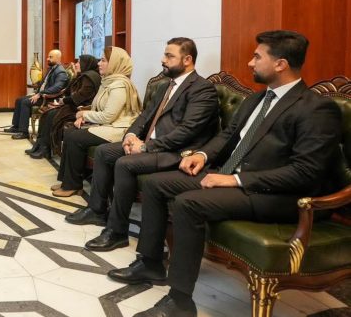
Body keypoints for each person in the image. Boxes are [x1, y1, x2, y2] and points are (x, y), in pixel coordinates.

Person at [110, 31, 341, 317]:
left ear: (280, 64)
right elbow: (228, 136)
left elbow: (305, 172)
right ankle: (150, 263)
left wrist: (235, 180)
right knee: (156, 185)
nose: (250, 63)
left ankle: (180, 302)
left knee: (188, 204)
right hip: (234, 177)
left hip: (276, 194)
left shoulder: (316, 109)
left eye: (257, 57)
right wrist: (202, 156)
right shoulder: (257, 99)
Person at [66, 37, 220, 253]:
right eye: (164, 55)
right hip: (150, 145)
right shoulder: (166, 86)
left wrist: (146, 147)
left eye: (169, 56)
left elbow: (187, 131)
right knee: (104, 152)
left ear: (187, 60)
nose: (163, 60)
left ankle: (117, 232)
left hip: (175, 152)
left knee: (125, 164)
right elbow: (144, 116)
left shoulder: (202, 89)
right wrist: (130, 135)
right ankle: (97, 210)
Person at [52, 47, 142, 197]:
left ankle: (72, 185)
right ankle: (67, 181)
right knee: (70, 132)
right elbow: (98, 108)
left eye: (103, 60)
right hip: (107, 125)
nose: (99, 63)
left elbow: (107, 116)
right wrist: (83, 116)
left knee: (75, 137)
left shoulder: (119, 85)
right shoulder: (108, 81)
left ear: (115, 63)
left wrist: (84, 114)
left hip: (118, 129)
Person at [26, 54, 101, 160]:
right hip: (73, 106)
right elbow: (68, 91)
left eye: (79, 62)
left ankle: (45, 149)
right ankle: (39, 146)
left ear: (86, 64)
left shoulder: (90, 77)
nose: (76, 64)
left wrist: (63, 101)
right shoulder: (83, 75)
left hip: (81, 108)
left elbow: (80, 96)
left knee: (51, 115)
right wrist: (63, 98)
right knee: (47, 114)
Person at [5, 49, 69, 139]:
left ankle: (24, 132)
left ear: (58, 58)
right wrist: (36, 93)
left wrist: (40, 94)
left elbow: (57, 88)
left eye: (50, 57)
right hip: (42, 95)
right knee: (19, 100)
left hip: (49, 98)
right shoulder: (52, 69)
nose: (47, 59)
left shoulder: (60, 72)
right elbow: (44, 84)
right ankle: (16, 127)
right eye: (48, 57)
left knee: (25, 103)